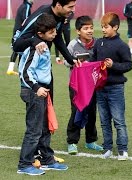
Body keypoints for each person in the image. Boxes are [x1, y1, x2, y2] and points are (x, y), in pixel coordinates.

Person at [17, 13, 68, 176]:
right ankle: (24, 164)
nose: (55, 34)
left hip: (42, 90)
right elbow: (25, 72)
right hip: (34, 91)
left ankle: (46, 159)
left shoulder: (44, 45)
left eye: (55, 30)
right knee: (34, 129)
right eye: (51, 32)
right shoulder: (36, 48)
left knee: (44, 127)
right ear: (40, 34)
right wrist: (37, 87)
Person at [91, 12, 132, 160]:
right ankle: (107, 148)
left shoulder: (121, 46)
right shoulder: (98, 43)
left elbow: (128, 65)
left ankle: (122, 149)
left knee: (118, 120)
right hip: (100, 88)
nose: (103, 29)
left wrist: (113, 65)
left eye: (106, 27)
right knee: (104, 120)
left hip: (116, 88)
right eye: (102, 27)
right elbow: (93, 61)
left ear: (115, 27)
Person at [66, 15, 103, 155]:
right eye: (86, 28)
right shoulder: (72, 45)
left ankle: (91, 141)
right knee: (77, 112)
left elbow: (102, 62)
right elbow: (66, 62)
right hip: (76, 86)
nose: (89, 31)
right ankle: (72, 142)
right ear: (78, 31)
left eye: (91, 28)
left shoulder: (98, 43)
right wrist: (75, 61)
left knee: (92, 112)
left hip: (93, 85)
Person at [7, 0, 34, 75]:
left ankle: (11, 69)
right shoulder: (27, 6)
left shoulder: (22, 6)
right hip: (22, 31)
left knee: (16, 48)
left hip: (17, 30)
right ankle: (21, 69)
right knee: (23, 48)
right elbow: (26, 19)